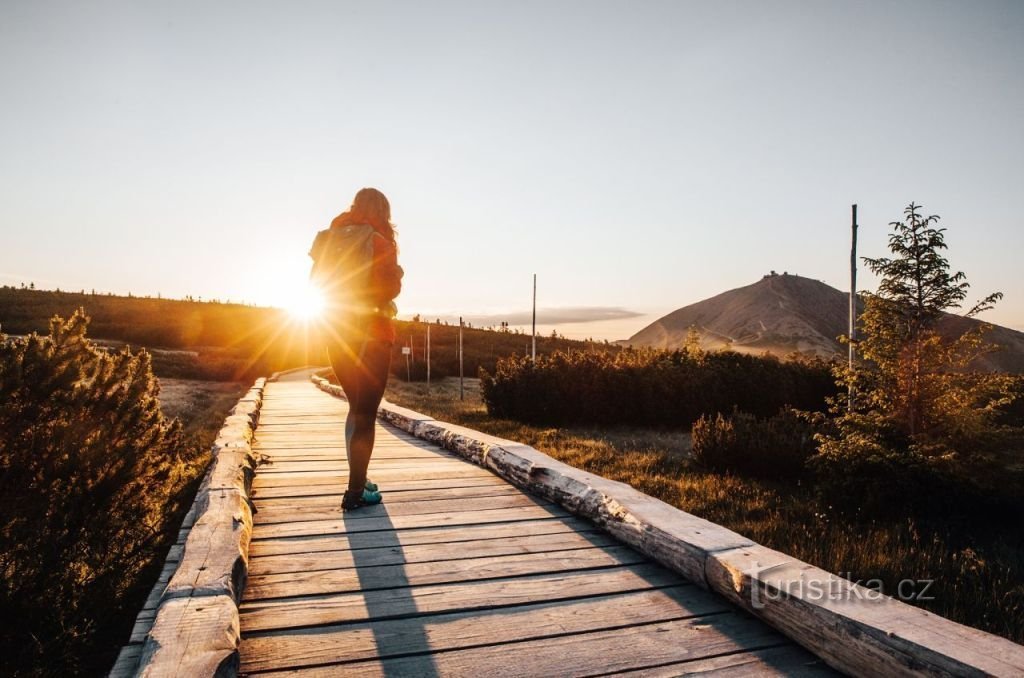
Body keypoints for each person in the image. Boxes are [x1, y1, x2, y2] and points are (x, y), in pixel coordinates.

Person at [309, 187, 403, 511]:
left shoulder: (330, 237)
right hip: (373, 334)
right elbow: (389, 287)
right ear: (383, 211)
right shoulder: (379, 240)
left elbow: (315, 283)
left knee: (354, 409)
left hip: (336, 331)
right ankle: (355, 491)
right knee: (366, 415)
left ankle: (359, 480)